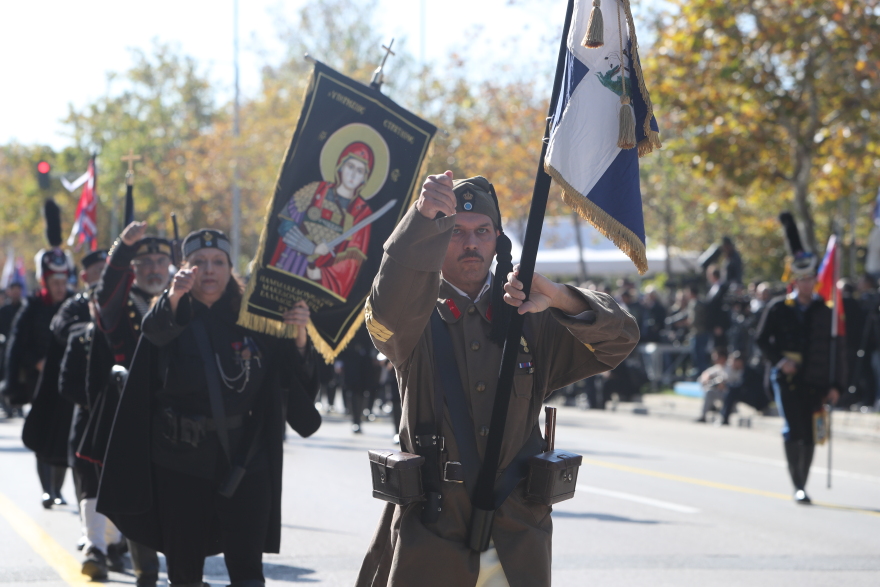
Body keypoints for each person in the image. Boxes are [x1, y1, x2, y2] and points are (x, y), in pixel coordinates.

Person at [356, 172, 639, 587]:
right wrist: (421, 218)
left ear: (498, 240)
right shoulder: (413, 318)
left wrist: (559, 297)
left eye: (482, 231)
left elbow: (621, 340)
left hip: (517, 535)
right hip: (435, 530)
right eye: (455, 232)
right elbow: (385, 311)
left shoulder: (528, 313)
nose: (471, 243)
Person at [97, 229, 321, 587]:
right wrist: (174, 296)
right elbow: (154, 334)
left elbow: (294, 383)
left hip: (246, 460)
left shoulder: (255, 317)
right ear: (184, 269)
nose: (209, 270)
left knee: (248, 570)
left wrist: (298, 337)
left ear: (230, 268)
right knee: (184, 571)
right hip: (180, 461)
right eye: (198, 262)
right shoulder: (170, 313)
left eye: (218, 262)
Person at [90, 222, 174, 587]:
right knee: (140, 499)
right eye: (146, 262)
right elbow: (105, 291)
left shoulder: (181, 299)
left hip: (179, 417)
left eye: (161, 260)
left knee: (179, 498)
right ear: (134, 269)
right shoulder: (121, 306)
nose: (155, 268)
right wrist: (122, 248)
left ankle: (182, 569)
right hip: (134, 416)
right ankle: (146, 574)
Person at [755, 213, 844, 504]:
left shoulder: (825, 311)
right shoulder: (779, 308)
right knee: (793, 428)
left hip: (815, 378)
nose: (808, 284)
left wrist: (836, 385)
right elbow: (760, 340)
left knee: (810, 432)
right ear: (796, 280)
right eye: (803, 279)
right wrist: (780, 361)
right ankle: (798, 484)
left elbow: (835, 350)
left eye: (811, 279)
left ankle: (804, 480)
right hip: (787, 377)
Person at [5, 248, 75, 507]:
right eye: (54, 282)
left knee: (64, 435)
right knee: (42, 432)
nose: (59, 287)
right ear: (45, 281)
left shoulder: (74, 303)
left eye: (62, 281)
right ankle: (48, 490)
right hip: (39, 381)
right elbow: (17, 346)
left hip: (67, 381)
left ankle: (58, 489)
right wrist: (36, 361)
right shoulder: (32, 306)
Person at [271, 142, 375, 299]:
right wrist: (311, 248)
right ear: (340, 167)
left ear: (364, 178)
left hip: (319, 282)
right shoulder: (315, 190)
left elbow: (352, 261)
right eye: (350, 167)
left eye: (360, 171)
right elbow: (285, 223)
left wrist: (322, 273)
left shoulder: (362, 213)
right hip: (292, 265)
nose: (353, 174)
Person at [718, 351, 769, 425]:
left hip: (758, 400)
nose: (731, 363)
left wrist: (726, 386)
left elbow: (741, 386)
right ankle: (723, 416)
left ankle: (724, 417)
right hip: (750, 395)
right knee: (731, 391)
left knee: (732, 392)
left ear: (739, 362)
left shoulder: (748, 371)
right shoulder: (740, 370)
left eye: (733, 361)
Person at [0, 278, 25, 417]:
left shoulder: (25, 308)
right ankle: (7, 403)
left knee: (21, 377)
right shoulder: (4, 310)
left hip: (20, 350)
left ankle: (19, 404)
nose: (16, 293)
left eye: (18, 290)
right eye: (13, 290)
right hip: (5, 349)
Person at [696, 347, 729, 423]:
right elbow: (706, 374)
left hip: (729, 394)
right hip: (719, 392)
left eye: (716, 357)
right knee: (708, 390)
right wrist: (707, 379)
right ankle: (704, 415)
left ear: (723, 358)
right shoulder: (718, 367)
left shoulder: (730, 367)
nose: (714, 359)